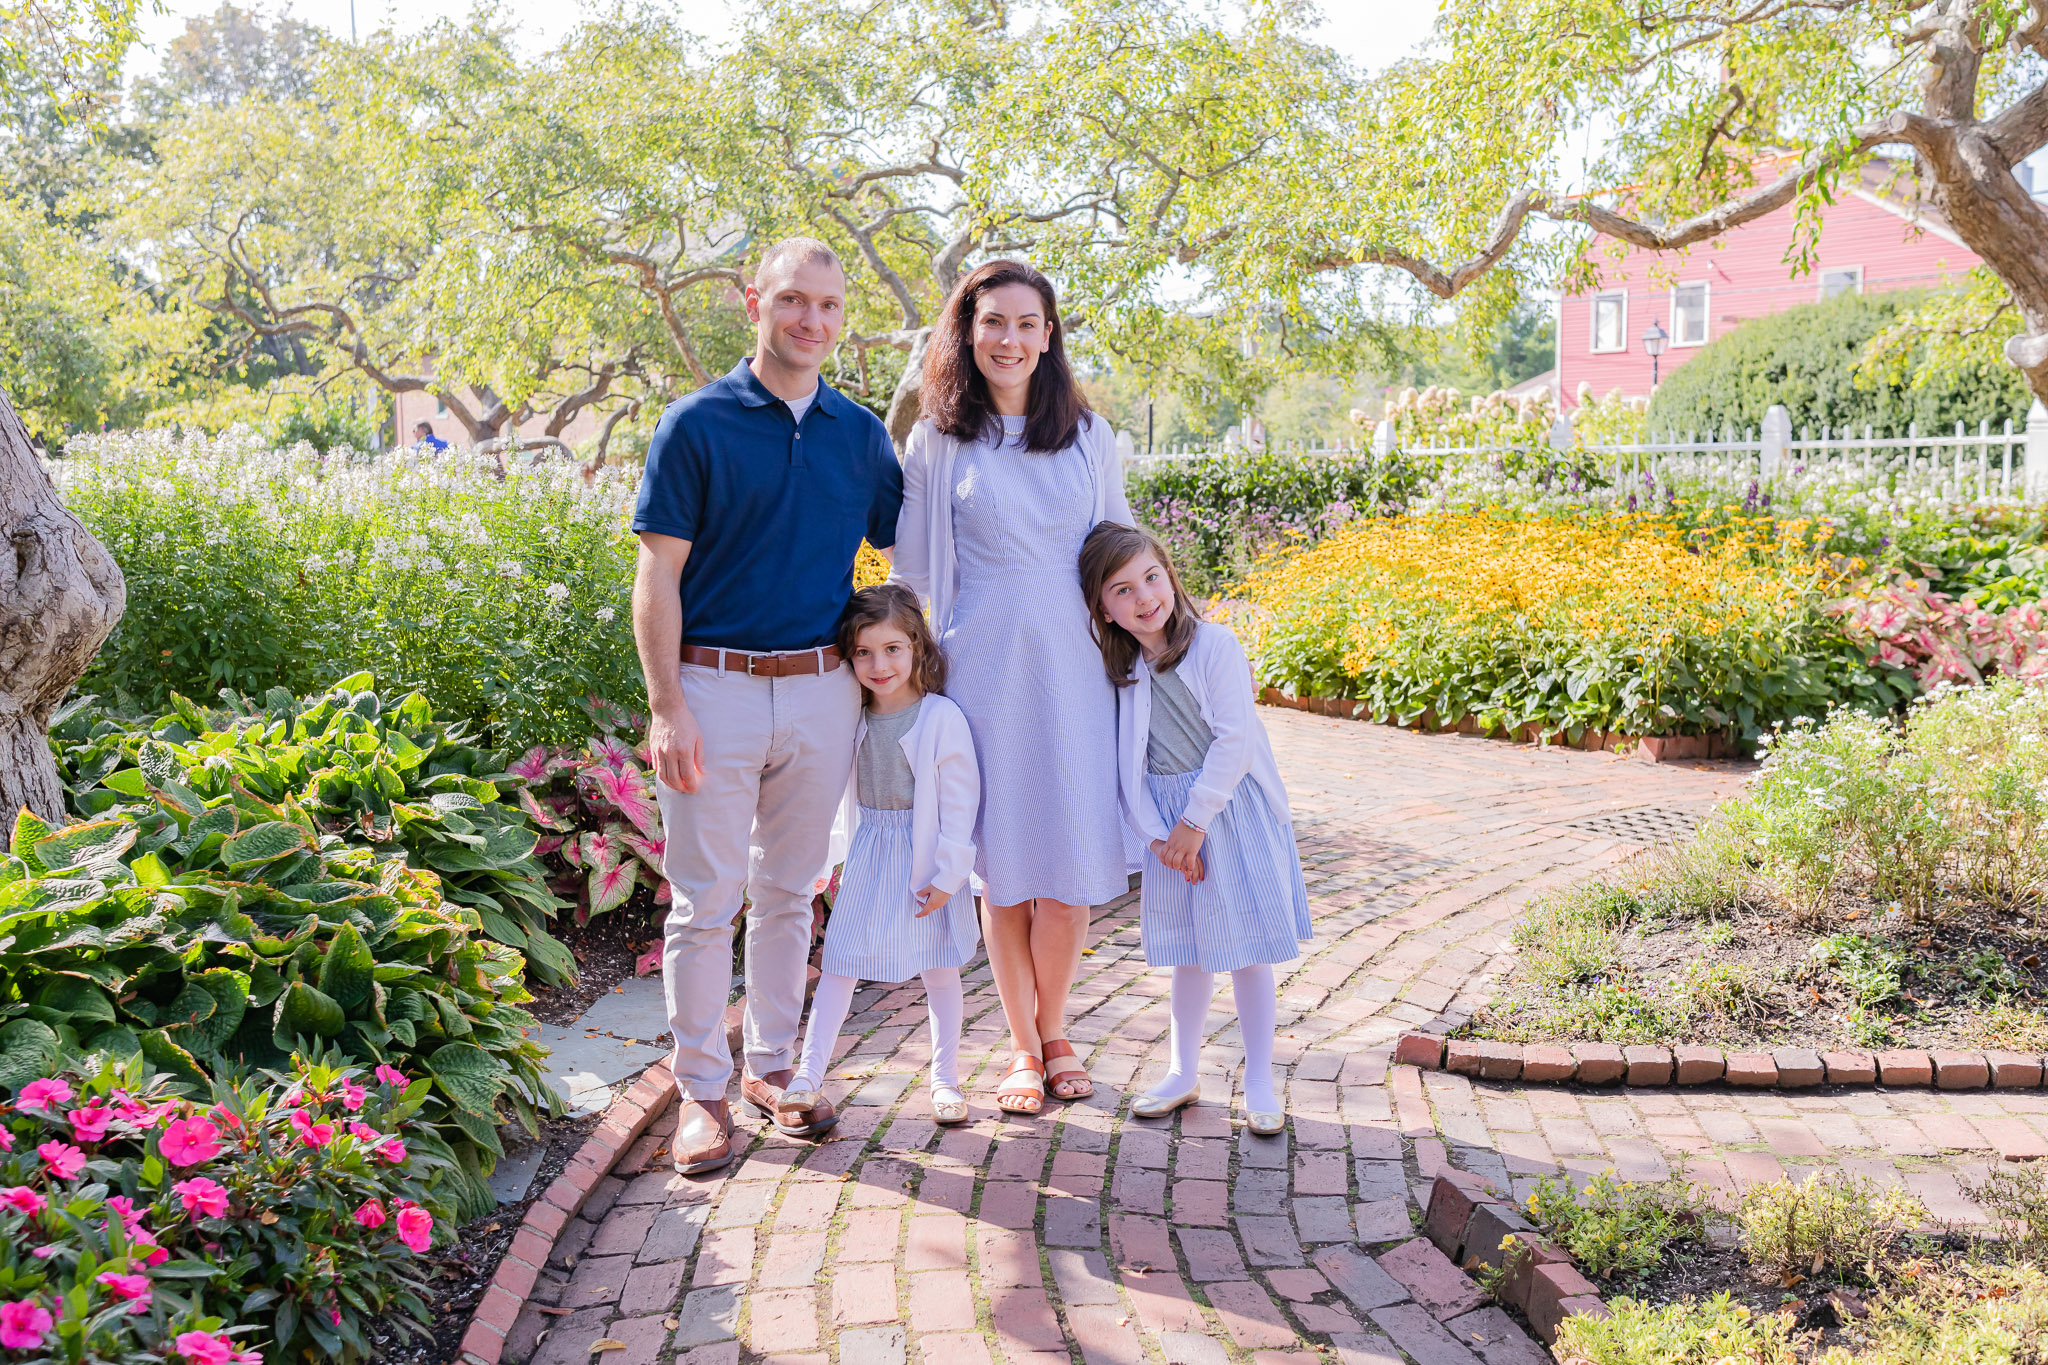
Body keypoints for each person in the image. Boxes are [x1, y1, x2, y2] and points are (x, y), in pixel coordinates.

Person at [631, 237, 904, 1173]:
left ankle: (777, 1068)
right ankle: (701, 1092)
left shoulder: (860, 435)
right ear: (754, 301)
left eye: (829, 307)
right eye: (794, 301)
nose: (812, 322)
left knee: (791, 891)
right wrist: (668, 704)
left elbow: (919, 542)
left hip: (823, 692)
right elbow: (657, 575)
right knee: (704, 902)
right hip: (714, 685)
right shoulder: (697, 424)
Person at [893, 260, 1131, 1115]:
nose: (1010, 339)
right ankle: (1024, 1049)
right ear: (968, 330)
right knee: (1004, 869)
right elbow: (914, 571)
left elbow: (1119, 550)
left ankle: (1058, 1025)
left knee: (1065, 867)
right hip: (981, 673)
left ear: (1049, 335)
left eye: (1028, 323)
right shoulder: (937, 439)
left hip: (1074, 673)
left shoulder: (1089, 437)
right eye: (994, 321)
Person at [1078, 521, 1312, 1135]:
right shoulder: (1123, 671)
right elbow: (1130, 765)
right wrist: (1158, 835)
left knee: (1245, 950)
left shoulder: (1214, 646)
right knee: (1189, 952)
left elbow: (1233, 742)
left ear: (1171, 576)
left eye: (1151, 578)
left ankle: (1260, 1078)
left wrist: (1192, 823)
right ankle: (1183, 1071)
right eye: (1122, 590)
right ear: (1102, 608)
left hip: (1226, 813)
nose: (1144, 597)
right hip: (1172, 829)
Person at [779, 585, 981, 1127]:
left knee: (939, 970)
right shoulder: (851, 715)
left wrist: (950, 872)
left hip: (927, 855)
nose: (879, 664)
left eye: (892, 648)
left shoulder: (940, 717)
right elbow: (827, 790)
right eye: (864, 652)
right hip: (872, 849)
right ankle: (807, 1077)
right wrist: (822, 859)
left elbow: (962, 802)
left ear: (917, 645)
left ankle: (944, 1080)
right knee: (841, 960)